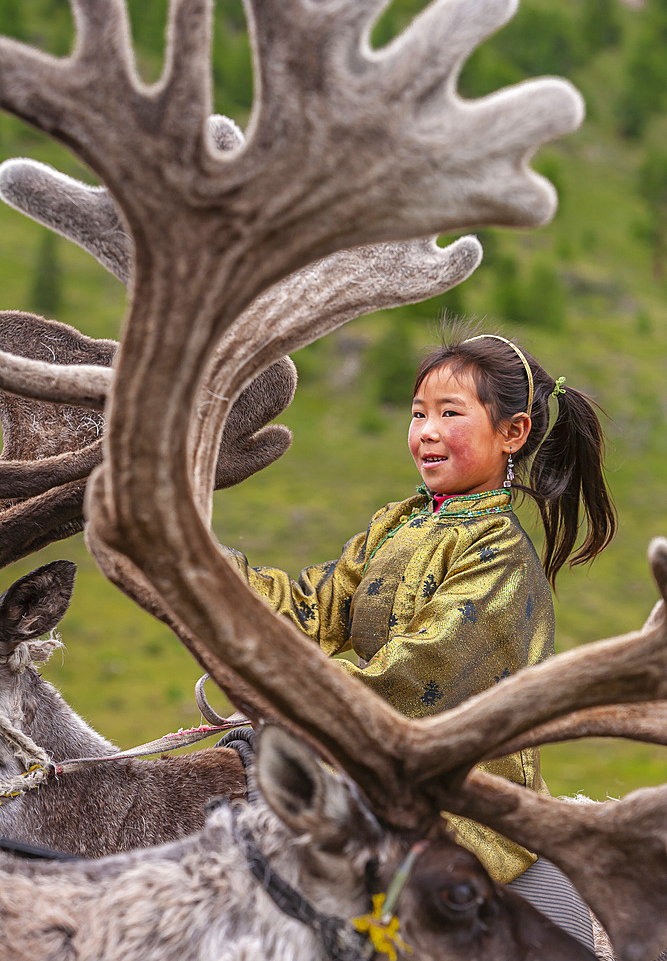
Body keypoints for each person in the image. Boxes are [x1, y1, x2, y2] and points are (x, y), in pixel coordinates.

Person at [224, 328, 616, 948]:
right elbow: (310, 610)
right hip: (371, 770)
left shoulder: (501, 556)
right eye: (417, 414)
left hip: (466, 806)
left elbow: (416, 678)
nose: (426, 431)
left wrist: (288, 699)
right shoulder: (398, 524)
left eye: (449, 414)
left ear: (511, 433)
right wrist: (209, 573)